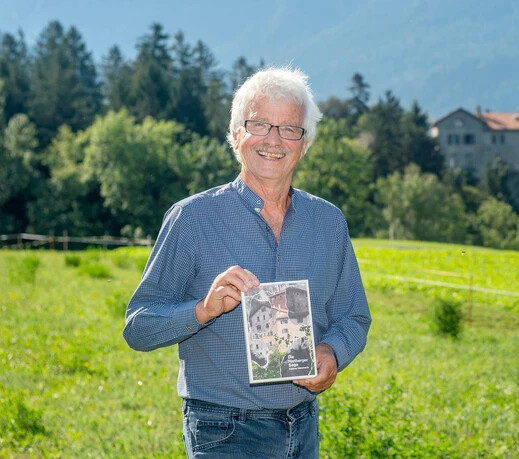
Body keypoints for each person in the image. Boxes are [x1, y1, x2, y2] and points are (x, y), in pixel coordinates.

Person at [123, 66, 372, 458]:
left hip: (304, 425)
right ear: (235, 134)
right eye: (258, 124)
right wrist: (202, 310)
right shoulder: (192, 219)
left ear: (304, 143)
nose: (273, 139)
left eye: (289, 128)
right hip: (223, 431)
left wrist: (332, 351)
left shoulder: (328, 222)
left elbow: (354, 316)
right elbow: (139, 327)